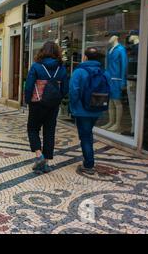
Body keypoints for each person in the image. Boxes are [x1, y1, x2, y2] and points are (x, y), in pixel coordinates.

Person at [25, 41, 69, 174]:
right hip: (53, 105)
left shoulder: (36, 67)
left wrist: (28, 101)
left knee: (32, 129)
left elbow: (29, 86)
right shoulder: (61, 68)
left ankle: (39, 156)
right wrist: (57, 97)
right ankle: (47, 162)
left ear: (42, 51)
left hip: (37, 103)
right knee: (49, 132)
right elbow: (65, 88)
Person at [70, 47, 109, 175]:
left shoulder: (79, 71)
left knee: (85, 137)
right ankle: (89, 161)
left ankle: (88, 164)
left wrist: (73, 107)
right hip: (97, 110)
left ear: (85, 57)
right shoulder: (103, 72)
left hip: (82, 111)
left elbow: (73, 91)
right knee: (88, 134)